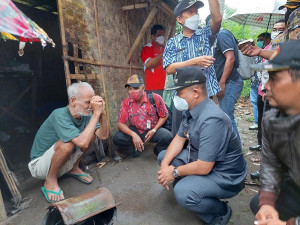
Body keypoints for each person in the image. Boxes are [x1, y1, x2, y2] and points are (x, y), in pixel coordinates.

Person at [157, 66, 247, 225]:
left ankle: (221, 211)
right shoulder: (191, 110)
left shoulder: (212, 119)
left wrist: (175, 172)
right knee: (164, 157)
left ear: (195, 93)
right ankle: (192, 185)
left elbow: (204, 167)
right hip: (202, 158)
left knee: (184, 193)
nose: (176, 97)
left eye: (179, 93)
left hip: (225, 174)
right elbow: (179, 139)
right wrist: (165, 167)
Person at [28, 82, 109, 202]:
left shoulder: (85, 115)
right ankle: (50, 180)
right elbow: (82, 143)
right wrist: (96, 114)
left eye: (92, 102)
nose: (91, 106)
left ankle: (73, 167)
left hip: (63, 162)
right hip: (40, 166)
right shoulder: (59, 114)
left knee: (90, 135)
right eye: (88, 102)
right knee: (67, 143)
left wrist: (102, 113)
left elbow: (103, 135)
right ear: (73, 101)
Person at [249, 40, 300, 225]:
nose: (265, 87)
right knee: (259, 203)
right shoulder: (272, 119)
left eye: (275, 78)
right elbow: (271, 164)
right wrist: (267, 202)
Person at [163, 0, 222, 136]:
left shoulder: (206, 34)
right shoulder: (173, 42)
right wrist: (195, 62)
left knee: (205, 132)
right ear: (179, 19)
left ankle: (203, 156)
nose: (195, 15)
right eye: (190, 12)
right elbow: (169, 69)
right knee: (181, 134)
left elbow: (217, 19)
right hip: (183, 96)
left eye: (196, 12)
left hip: (204, 95)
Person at [250, 20, 287, 181]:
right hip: (266, 93)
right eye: (274, 29)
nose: (276, 32)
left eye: (280, 29)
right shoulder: (268, 48)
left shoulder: (289, 48)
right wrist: (265, 88)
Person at [113, 75, 172, 157]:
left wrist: (154, 130)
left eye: (136, 88)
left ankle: (158, 152)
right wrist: (133, 135)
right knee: (118, 137)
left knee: (167, 136)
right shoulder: (126, 102)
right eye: (130, 89)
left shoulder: (155, 98)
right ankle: (134, 150)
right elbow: (120, 124)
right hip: (135, 130)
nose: (132, 91)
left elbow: (164, 115)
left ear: (143, 88)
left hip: (152, 129)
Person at [213, 29, 244, 140]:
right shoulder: (215, 38)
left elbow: (230, 58)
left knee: (227, 118)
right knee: (224, 117)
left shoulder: (222, 34)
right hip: (226, 82)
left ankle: (237, 152)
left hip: (230, 82)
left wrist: (222, 82)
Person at [249, 33, 271, 133]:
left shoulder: (272, 51)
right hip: (255, 82)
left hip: (265, 85)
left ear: (268, 39)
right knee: (255, 103)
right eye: (258, 40)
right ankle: (257, 123)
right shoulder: (258, 51)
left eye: (261, 39)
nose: (259, 41)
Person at [141, 24, 166, 96]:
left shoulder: (166, 48)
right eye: (159, 35)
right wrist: (162, 54)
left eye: (163, 35)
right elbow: (149, 64)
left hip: (167, 87)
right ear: (152, 36)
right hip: (153, 88)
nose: (162, 37)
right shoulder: (147, 48)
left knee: (166, 107)